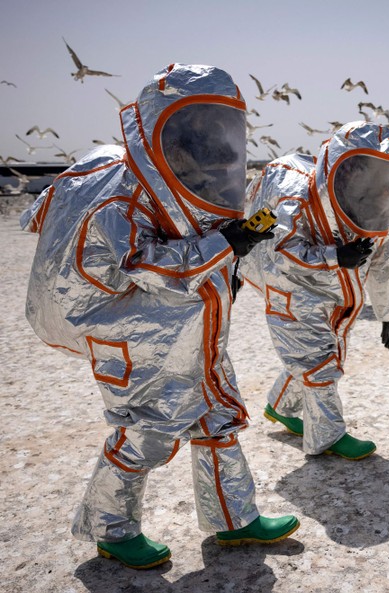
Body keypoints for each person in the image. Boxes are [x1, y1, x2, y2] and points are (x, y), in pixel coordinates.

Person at [20, 64, 298, 570]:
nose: (208, 141)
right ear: (158, 128)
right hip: (131, 337)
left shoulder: (188, 179)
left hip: (193, 327)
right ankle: (111, 529)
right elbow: (149, 265)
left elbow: (202, 235)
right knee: (144, 433)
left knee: (217, 418)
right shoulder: (119, 199)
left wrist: (239, 246)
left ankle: (233, 520)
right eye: (195, 128)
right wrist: (226, 244)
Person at [242, 120, 389, 460]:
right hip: (292, 292)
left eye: (379, 171)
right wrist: (336, 256)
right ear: (340, 166)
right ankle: (326, 437)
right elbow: (282, 251)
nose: (372, 180)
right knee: (320, 364)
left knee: (313, 357)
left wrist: (387, 314)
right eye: (362, 169)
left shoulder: (374, 214)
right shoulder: (295, 197)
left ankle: (281, 407)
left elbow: (382, 268)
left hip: (338, 300)